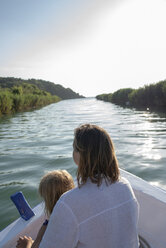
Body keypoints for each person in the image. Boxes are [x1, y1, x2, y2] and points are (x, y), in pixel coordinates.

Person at [39, 123, 139, 248]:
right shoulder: (125, 186)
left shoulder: (68, 203)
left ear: (81, 155)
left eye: (74, 148)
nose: (73, 152)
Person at [16, 170, 75, 248]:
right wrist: (34, 242)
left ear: (50, 201)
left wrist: (27, 245)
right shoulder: (72, 215)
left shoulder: (57, 228)